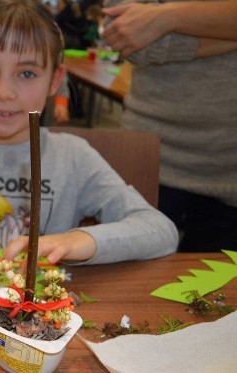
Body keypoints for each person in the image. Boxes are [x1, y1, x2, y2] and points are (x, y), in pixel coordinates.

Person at [0, 0, 178, 265]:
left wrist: (77, 240)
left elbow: (160, 230)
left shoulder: (73, 157)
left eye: (26, 73)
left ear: (55, 80)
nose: (4, 92)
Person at [102, 0, 237, 252]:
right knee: (130, 280)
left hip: (230, 164)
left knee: (218, 287)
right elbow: (122, 34)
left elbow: (146, 40)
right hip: (150, 156)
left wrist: (167, 17)